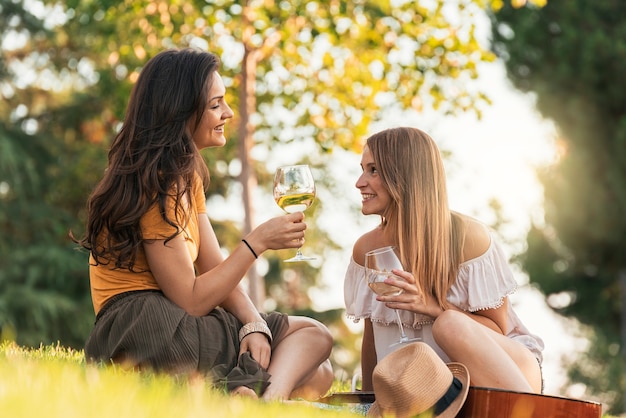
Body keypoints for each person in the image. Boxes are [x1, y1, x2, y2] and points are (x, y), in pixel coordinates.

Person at [76, 48, 333, 401]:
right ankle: (264, 405)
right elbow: (192, 299)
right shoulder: (157, 183)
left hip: (143, 331)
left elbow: (213, 268)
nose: (228, 113)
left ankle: (243, 394)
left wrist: (253, 324)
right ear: (180, 111)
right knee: (315, 336)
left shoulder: (183, 177)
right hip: (152, 329)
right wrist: (257, 242)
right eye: (215, 105)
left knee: (319, 374)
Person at [344, 126, 544, 394]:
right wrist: (369, 402)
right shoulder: (366, 249)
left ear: (406, 175)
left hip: (507, 375)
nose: (359, 182)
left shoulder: (469, 238)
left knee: (450, 325)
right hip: (432, 391)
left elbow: (497, 331)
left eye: (373, 170)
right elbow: (372, 335)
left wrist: (434, 306)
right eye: (362, 169)